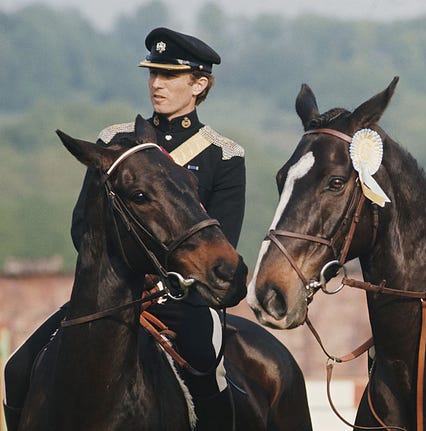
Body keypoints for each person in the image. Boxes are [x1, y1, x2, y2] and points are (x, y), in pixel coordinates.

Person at [3, 27, 246, 431]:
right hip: (113, 297)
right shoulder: (115, 142)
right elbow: (84, 226)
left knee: (209, 369)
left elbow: (222, 243)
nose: (156, 84)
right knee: (18, 368)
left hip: (183, 302)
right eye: (153, 74)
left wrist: (165, 289)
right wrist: (124, 286)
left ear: (199, 84)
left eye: (169, 76)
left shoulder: (223, 154)